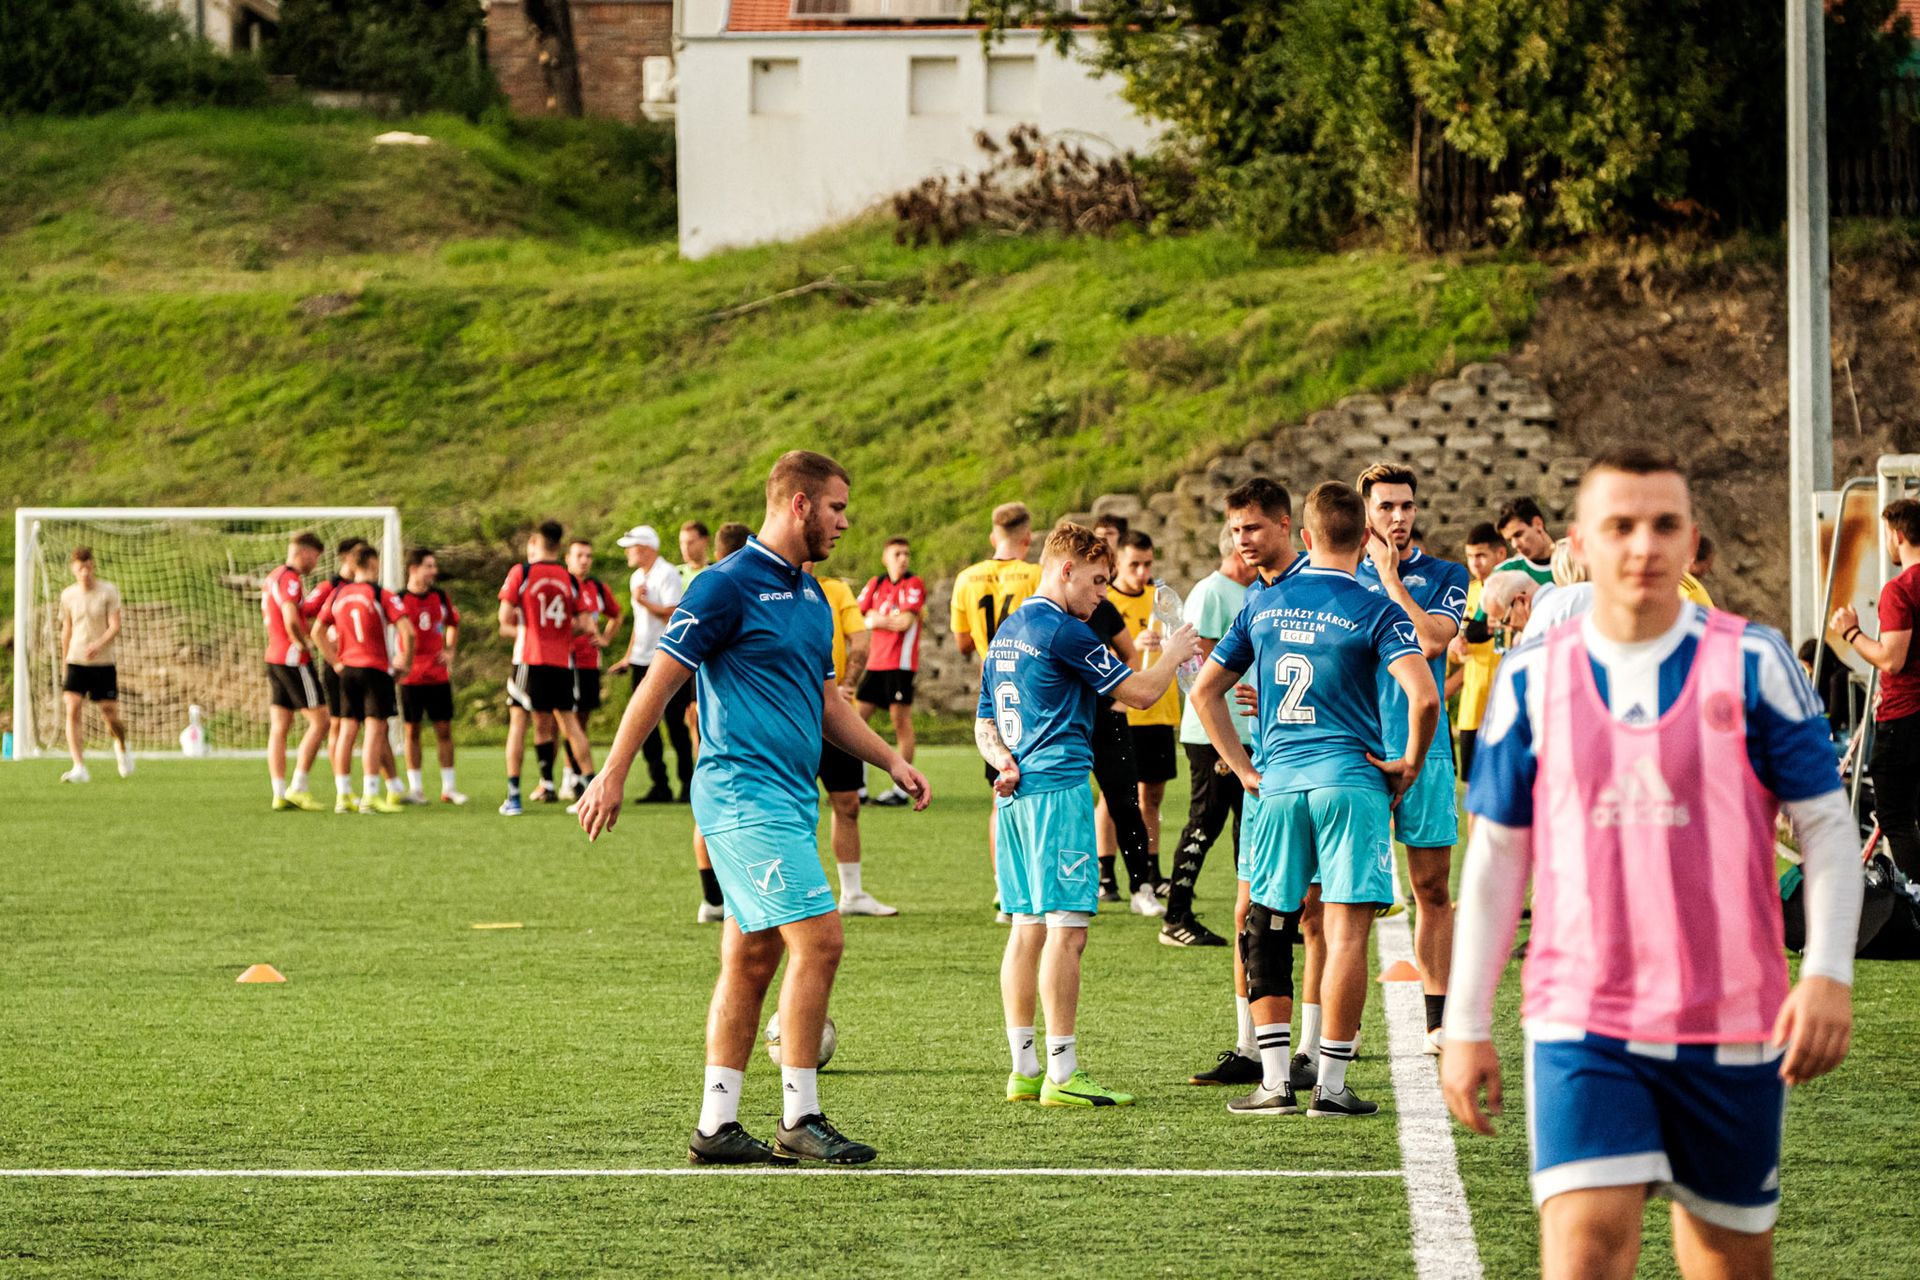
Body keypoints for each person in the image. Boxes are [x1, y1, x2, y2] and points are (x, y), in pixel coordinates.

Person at [1443, 447, 1862, 1280]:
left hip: (1733, 1021)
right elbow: (1496, 856)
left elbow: (1825, 827)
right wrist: (1465, 1021)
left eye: (1664, 525)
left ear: (1692, 541)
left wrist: (1826, 972)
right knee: (1586, 1249)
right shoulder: (1531, 679)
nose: (1643, 545)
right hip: (1582, 1020)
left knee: (1725, 1263)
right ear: (1579, 546)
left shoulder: (1756, 664)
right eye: (1620, 526)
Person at [574, 450, 930, 1166]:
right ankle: (800, 1117)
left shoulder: (812, 594)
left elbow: (825, 702)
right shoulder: (723, 585)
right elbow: (659, 682)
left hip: (790, 799)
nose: (844, 521)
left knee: (752, 954)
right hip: (742, 796)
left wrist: (889, 758)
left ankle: (716, 1126)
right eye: (836, 507)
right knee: (821, 940)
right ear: (799, 504)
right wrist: (612, 771)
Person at [1193, 481, 1435, 1118]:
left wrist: (1244, 770)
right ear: (1367, 538)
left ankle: (1274, 1083)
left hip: (1277, 785)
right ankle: (1330, 1087)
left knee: (1267, 925)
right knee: (1345, 932)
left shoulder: (1262, 603)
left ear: (1304, 537)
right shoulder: (1377, 609)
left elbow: (1204, 691)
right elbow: (1425, 697)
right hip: (1350, 783)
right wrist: (1408, 765)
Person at [976, 522, 1198, 1108]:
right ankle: (1063, 1072)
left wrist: (1002, 761)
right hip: (1057, 793)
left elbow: (984, 721)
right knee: (1067, 932)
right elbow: (1141, 694)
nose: (1102, 594)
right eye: (1097, 581)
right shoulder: (1065, 631)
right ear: (1066, 569)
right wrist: (1174, 652)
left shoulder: (1008, 630)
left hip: (1015, 796)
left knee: (1026, 927)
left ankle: (1024, 1069)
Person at [1186, 476, 1310, 1088]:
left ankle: (1313, 1052)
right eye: (1235, 529)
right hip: (1267, 774)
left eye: (1253, 527)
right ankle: (1250, 1047)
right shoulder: (1252, 598)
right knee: (1249, 909)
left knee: (1316, 916)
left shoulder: (1321, 585)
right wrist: (1242, 768)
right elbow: (1205, 688)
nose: (1243, 540)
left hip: (1318, 775)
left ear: (1286, 525)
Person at [1354, 462, 1470, 1055]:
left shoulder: (1446, 574)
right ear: (1365, 513)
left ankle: (1437, 1022)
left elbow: (1430, 641)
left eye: (1406, 506)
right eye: (1385, 507)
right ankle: (1337, 1033)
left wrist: (1391, 579)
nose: (1397, 517)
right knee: (1343, 898)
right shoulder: (1337, 576)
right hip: (1356, 754)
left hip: (1425, 752)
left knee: (1431, 888)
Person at [1160, 525, 1257, 947]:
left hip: (1245, 728)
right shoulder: (1212, 592)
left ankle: (1256, 915)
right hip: (1212, 730)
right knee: (1206, 819)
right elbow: (1200, 666)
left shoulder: (1251, 591)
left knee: (1248, 825)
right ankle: (1175, 918)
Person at [952, 501, 1044, 910]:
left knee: (1000, 792)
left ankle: (1003, 886)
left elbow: (962, 642)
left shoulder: (967, 578)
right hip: (1033, 692)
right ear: (1028, 538)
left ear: (993, 536)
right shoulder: (1036, 575)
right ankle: (1035, 881)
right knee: (1038, 787)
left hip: (994, 694)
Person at [1832, 497, 1920, 880]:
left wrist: (1851, 631)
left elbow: (1891, 659)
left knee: (1894, 815)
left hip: (1904, 718)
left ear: (1898, 535)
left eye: (1886, 534)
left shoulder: (1900, 590)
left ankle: (1916, 893)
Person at [812, 564, 896, 916]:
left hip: (835, 714)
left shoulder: (834, 589)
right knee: (788, 806)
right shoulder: (765, 585)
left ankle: (852, 893)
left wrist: (846, 685)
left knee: (847, 802)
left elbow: (860, 641)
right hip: (790, 716)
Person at [498, 521, 596, 817]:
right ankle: (588, 791)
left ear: (535, 542)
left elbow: (504, 619)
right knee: (570, 724)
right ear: (559, 545)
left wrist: (532, 629)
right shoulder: (569, 579)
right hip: (562, 661)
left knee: (518, 722)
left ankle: (514, 796)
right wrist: (561, 631)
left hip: (530, 658)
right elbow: (587, 624)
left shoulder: (523, 572)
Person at [1105, 532, 1181, 900]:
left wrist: (1167, 645)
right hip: (1122, 714)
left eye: (1147, 564)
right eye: (1134, 564)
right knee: (1114, 797)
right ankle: (1106, 874)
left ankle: (1152, 869)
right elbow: (1094, 654)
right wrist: (1131, 647)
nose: (1141, 572)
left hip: (1158, 711)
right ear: (1118, 562)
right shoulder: (1105, 600)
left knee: (1152, 797)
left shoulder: (1161, 599)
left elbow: (1182, 642)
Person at [686, 522, 754, 923]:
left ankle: (713, 899)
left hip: (708, 712)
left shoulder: (708, 584)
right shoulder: (729, 587)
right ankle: (722, 898)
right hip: (730, 723)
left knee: (709, 805)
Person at [317, 544, 414, 815]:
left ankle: (343, 795)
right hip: (374, 668)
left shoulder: (339, 594)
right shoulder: (380, 594)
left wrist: (335, 661)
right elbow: (408, 632)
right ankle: (370, 794)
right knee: (375, 729)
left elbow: (317, 631)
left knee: (347, 729)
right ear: (372, 563)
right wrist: (405, 663)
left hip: (347, 669)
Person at [610, 525, 691, 805]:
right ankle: (660, 785)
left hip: (666, 660)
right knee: (645, 725)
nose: (627, 553)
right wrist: (629, 655)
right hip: (642, 659)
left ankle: (687, 784)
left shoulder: (667, 573)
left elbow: (673, 613)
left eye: (631, 548)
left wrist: (644, 603)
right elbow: (639, 624)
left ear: (645, 548)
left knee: (676, 724)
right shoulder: (637, 578)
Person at [855, 537, 926, 807]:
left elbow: (905, 622)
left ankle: (902, 790)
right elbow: (858, 617)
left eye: (906, 553)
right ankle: (858, 787)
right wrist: (876, 620)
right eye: (897, 554)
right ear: (885, 557)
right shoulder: (876, 584)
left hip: (900, 664)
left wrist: (876, 619)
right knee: (856, 721)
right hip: (875, 663)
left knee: (900, 722)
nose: (903, 558)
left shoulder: (913, 584)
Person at [263, 531, 330, 812]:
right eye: (315, 557)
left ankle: (279, 793)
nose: (315, 563)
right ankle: (298, 787)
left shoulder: (273, 576)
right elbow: (291, 618)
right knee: (321, 721)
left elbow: (299, 612)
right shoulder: (290, 578)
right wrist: (303, 643)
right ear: (304, 553)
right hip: (293, 658)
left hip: (274, 656)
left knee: (280, 725)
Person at [397, 548, 467, 805]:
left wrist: (450, 650)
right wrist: (395, 658)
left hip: (438, 675)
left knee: (444, 730)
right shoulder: (399, 599)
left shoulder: (440, 597)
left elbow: (454, 623)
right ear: (414, 569)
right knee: (411, 731)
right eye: (429, 566)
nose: (434, 571)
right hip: (410, 676)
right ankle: (416, 789)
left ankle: (449, 788)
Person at [57, 547, 130, 783]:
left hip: (102, 662)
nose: (85, 573)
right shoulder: (68, 595)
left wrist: (98, 645)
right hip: (76, 660)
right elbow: (67, 629)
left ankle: (122, 747)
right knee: (73, 707)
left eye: (88, 567)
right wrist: (65, 660)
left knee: (110, 714)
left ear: (93, 566)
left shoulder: (108, 591)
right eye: (80, 568)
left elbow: (115, 626)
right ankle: (79, 766)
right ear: (73, 569)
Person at [561, 538, 622, 804]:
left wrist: (605, 638)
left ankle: (575, 775)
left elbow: (616, 614)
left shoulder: (597, 588)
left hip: (589, 661)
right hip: (565, 660)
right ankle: (567, 778)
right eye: (579, 555)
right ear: (568, 558)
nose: (584, 560)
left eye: (588, 556)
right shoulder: (562, 585)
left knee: (582, 718)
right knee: (567, 719)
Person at [1450, 523, 1505, 784]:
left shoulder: (1514, 591)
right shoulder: (1466, 594)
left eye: (1481, 555)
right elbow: (1454, 652)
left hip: (1505, 699)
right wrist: (1455, 647)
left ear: (1500, 554)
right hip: (1473, 702)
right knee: (1473, 782)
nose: (1475, 563)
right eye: (1470, 556)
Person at [305, 538, 366, 755]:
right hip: (337, 663)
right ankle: (339, 773)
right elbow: (302, 613)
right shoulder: (329, 588)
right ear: (346, 557)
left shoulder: (365, 589)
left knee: (365, 723)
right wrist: (317, 638)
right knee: (339, 723)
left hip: (361, 662)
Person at [1496, 497, 1557, 585]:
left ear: (1538, 524)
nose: (1514, 545)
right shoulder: (1505, 573)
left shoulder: (1574, 560)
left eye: (1518, 534)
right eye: (1509, 540)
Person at [679, 520, 711, 588]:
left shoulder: (714, 572)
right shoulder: (674, 573)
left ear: (705, 541)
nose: (685, 548)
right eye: (682, 543)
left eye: (690, 543)